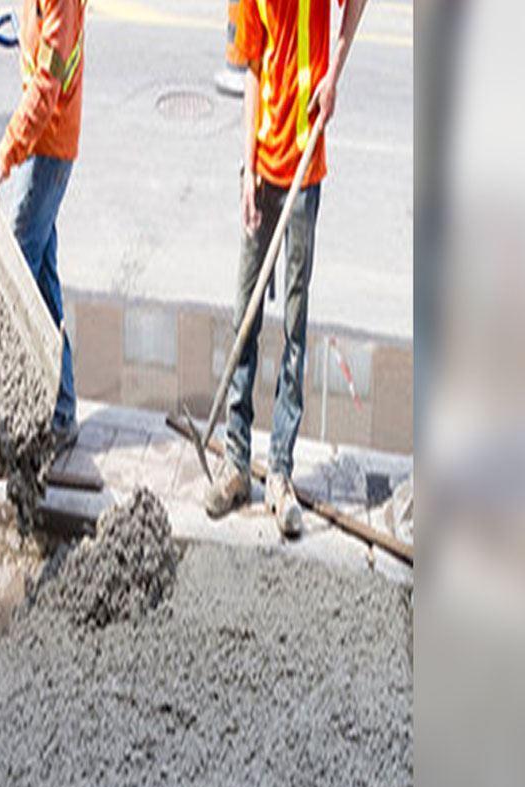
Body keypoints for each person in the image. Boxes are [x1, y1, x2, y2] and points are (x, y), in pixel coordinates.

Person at [204, 0, 368, 536]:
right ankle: (235, 464)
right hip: (265, 165)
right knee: (244, 319)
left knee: (294, 328)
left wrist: (333, 74)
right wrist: (248, 169)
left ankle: (279, 473)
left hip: (305, 163)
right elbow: (253, 68)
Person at [0, 0, 87, 454]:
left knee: (17, 280)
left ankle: (22, 409)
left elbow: (46, 85)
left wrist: (2, 161)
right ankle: (61, 412)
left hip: (50, 148)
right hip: (44, 144)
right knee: (41, 281)